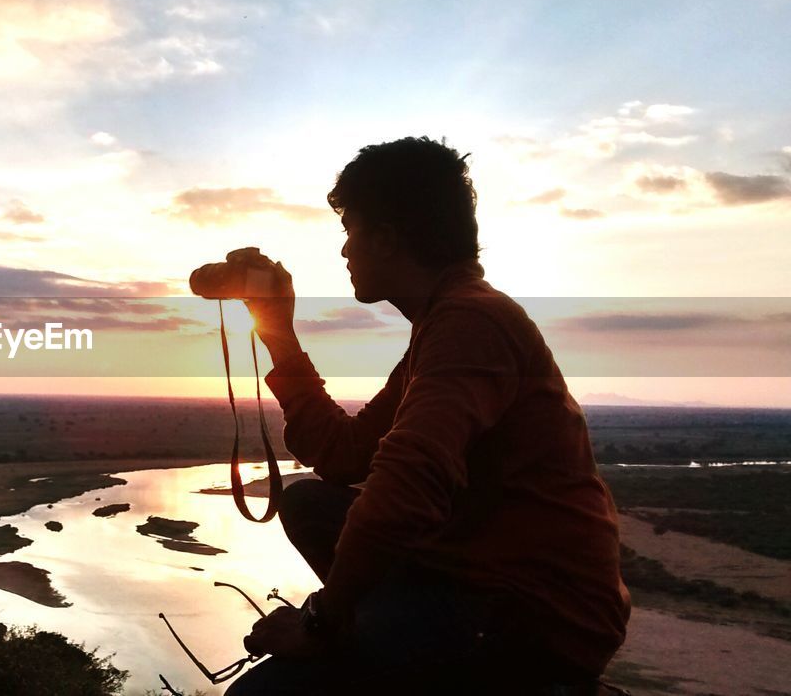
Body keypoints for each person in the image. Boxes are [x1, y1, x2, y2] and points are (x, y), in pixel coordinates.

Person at [226, 137, 630, 694]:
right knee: (306, 501)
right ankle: (379, 639)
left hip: (530, 614)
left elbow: (408, 483)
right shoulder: (442, 328)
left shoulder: (472, 323)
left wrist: (321, 619)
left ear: (387, 239)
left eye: (351, 233)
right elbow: (344, 455)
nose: (345, 252)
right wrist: (277, 330)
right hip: (472, 574)